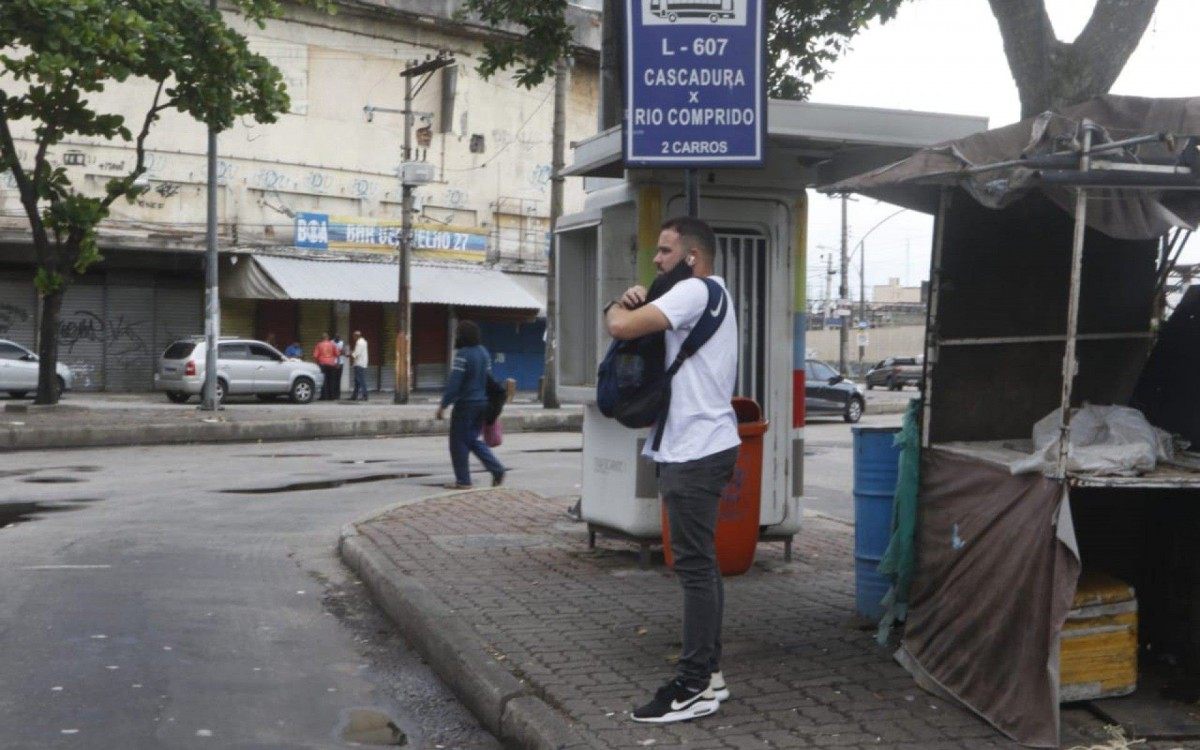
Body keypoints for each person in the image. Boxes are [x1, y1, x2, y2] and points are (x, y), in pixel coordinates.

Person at [604, 216, 739, 724]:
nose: (657, 261)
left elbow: (621, 327)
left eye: (664, 251)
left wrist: (617, 303)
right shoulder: (718, 293)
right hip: (708, 445)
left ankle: (692, 685)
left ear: (691, 257)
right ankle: (710, 673)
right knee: (702, 565)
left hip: (694, 452)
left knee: (695, 569)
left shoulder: (692, 291)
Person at [435, 320, 506, 490]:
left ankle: (463, 480)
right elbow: (488, 379)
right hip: (482, 404)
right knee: (472, 440)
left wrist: (443, 405)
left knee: (458, 443)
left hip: (465, 405)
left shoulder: (463, 355)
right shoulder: (483, 353)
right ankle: (496, 469)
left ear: (462, 336)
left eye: (457, 334)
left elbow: (455, 383)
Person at [312, 333, 339, 400]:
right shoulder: (332, 344)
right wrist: (337, 363)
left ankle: (324, 396)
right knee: (332, 380)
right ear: (328, 338)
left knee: (324, 380)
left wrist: (316, 363)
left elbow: (315, 356)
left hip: (322, 364)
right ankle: (332, 396)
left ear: (322, 338)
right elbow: (337, 354)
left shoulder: (319, 345)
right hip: (332, 364)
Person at [350, 330, 369, 401]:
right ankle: (354, 396)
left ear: (357, 336)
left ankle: (365, 395)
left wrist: (350, 353)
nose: (353, 338)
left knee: (360, 380)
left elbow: (356, 353)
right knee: (357, 381)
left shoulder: (359, 343)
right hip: (362, 363)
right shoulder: (364, 342)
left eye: (354, 336)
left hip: (359, 364)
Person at [332, 333, 347, 400]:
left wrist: (337, 352)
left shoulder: (342, 343)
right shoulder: (331, 342)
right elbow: (330, 352)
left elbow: (344, 352)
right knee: (333, 379)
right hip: (333, 363)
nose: (337, 338)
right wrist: (338, 352)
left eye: (338, 337)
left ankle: (337, 395)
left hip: (340, 363)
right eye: (336, 337)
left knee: (338, 379)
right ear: (334, 337)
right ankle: (332, 394)